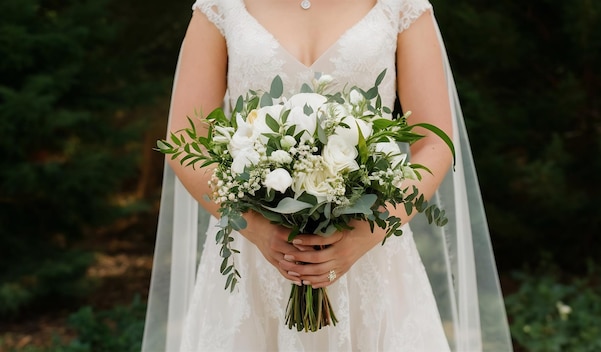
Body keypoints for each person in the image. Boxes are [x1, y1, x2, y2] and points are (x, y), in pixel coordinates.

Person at [142, 0, 513, 351]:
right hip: (251, 258)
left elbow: (434, 142)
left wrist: (368, 233)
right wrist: (256, 229)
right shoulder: (221, 6)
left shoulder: (401, 5)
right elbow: (184, 140)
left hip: (371, 249)